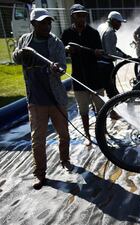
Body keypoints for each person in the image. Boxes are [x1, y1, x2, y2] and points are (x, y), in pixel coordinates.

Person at [12, 8, 72, 190]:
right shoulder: (25, 40)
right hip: (36, 100)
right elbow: (16, 58)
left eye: (48, 22)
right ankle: (40, 174)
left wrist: (55, 68)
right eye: (42, 23)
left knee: (64, 134)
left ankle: (65, 159)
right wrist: (20, 54)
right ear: (33, 24)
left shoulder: (56, 42)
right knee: (37, 140)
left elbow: (62, 65)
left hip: (55, 98)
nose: (47, 26)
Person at [61, 4, 104, 146]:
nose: (82, 18)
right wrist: (67, 51)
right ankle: (87, 136)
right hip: (78, 78)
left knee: (101, 107)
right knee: (83, 110)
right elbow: (62, 53)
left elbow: (100, 52)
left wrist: (98, 53)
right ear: (73, 16)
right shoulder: (67, 33)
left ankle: (101, 132)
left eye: (84, 15)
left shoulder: (93, 33)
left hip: (95, 77)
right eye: (78, 15)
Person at [97, 11, 127, 98]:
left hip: (98, 63)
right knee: (111, 91)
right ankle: (113, 109)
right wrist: (123, 56)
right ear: (113, 21)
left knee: (101, 89)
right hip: (106, 66)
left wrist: (123, 53)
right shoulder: (110, 32)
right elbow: (111, 54)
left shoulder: (101, 26)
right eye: (119, 22)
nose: (120, 25)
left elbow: (108, 46)